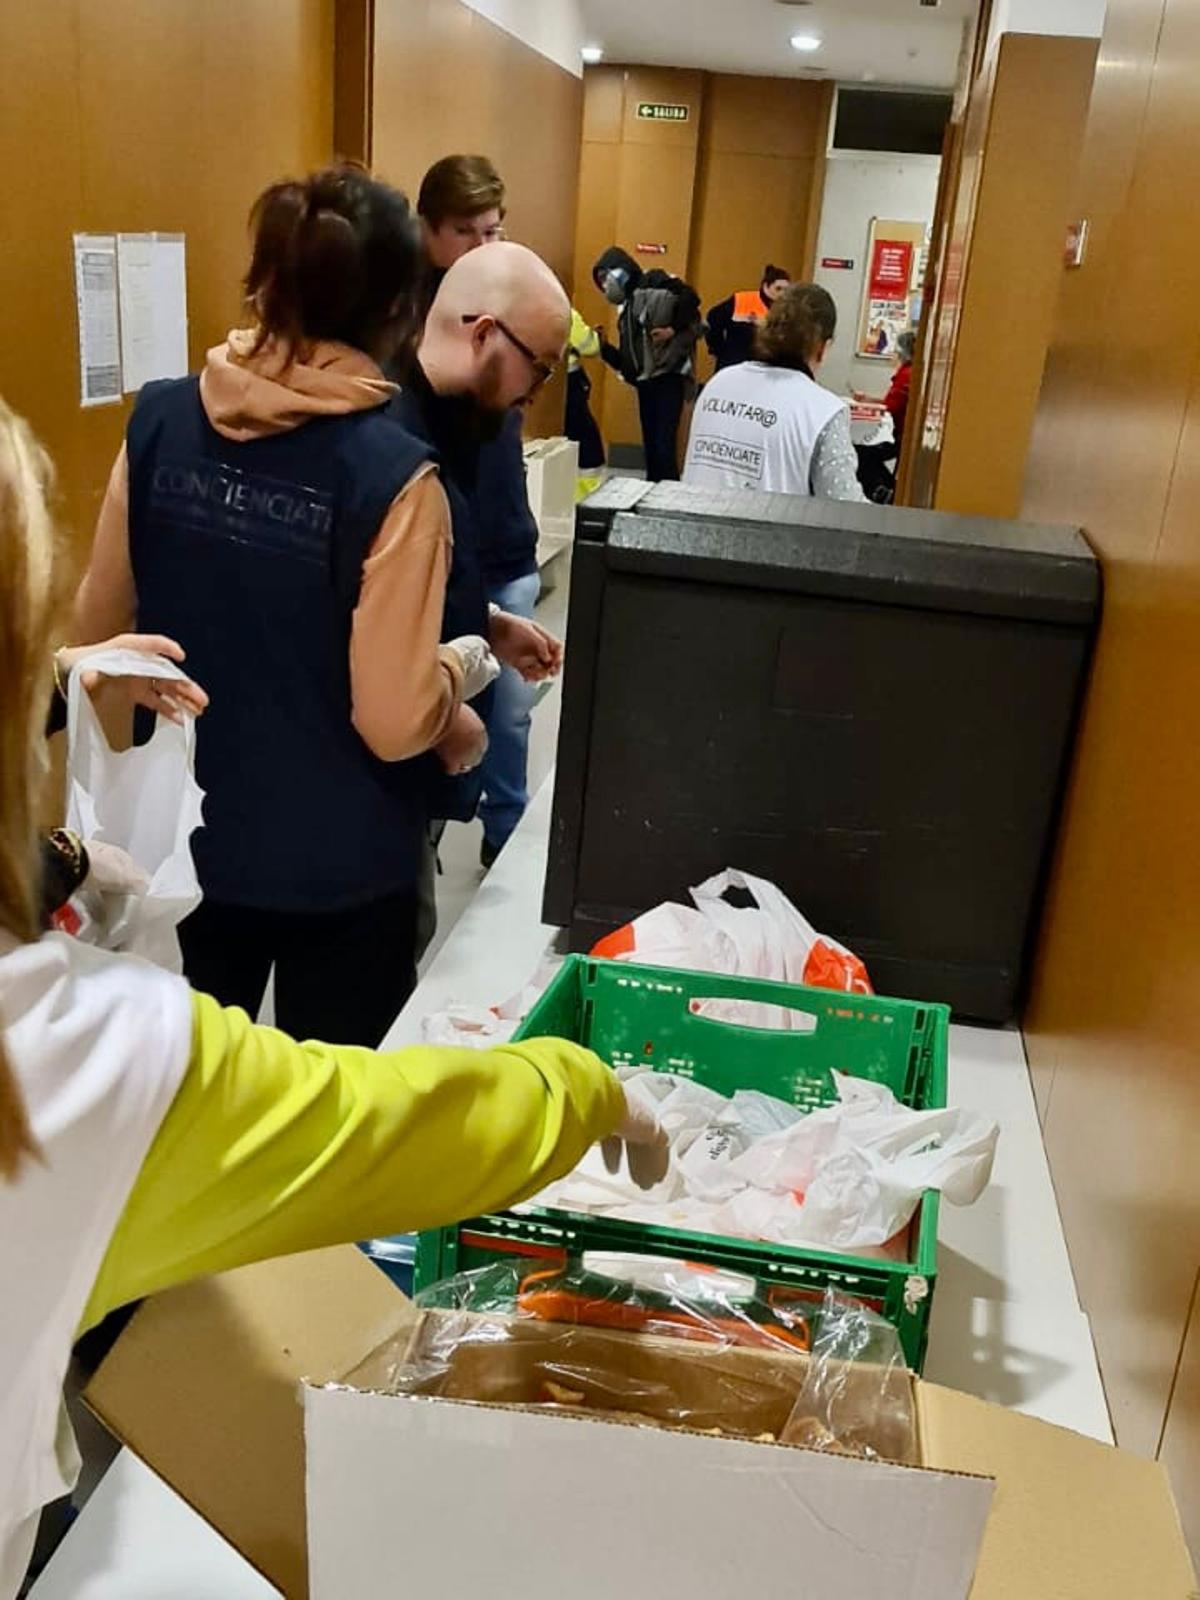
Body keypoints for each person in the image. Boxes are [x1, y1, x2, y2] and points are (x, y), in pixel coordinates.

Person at [0, 393, 666, 1600]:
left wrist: (53, 701)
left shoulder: (165, 425)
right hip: (333, 879)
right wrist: (579, 1080)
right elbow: (387, 1124)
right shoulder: (74, 1058)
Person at [72, 165, 499, 1048]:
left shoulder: (155, 425)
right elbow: (391, 721)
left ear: (262, 285)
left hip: (181, 851)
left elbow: (96, 641)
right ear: (398, 312)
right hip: (340, 876)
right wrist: (462, 666)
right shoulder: (394, 478)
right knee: (333, 1145)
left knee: (181, 1121)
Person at [415, 154, 553, 871]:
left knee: (510, 712)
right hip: (438, 561)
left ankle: (503, 830)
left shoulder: (513, 316)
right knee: (439, 713)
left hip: (502, 546)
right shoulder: (411, 340)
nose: (479, 248)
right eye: (463, 231)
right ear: (427, 231)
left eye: (492, 231)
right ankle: (428, 830)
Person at [682, 282, 865, 502]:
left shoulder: (718, 384)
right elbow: (845, 507)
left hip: (692, 529)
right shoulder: (824, 412)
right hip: (769, 534)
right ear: (822, 347)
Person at [593, 246, 702, 482]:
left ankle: (668, 499)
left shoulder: (654, 280)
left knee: (663, 447)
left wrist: (672, 330)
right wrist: (604, 349)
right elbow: (629, 365)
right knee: (652, 448)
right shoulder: (627, 313)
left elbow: (691, 300)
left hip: (668, 377)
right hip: (646, 384)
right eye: (600, 281)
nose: (605, 285)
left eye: (606, 277)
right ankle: (653, 497)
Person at [704, 265, 790, 372]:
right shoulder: (742, 300)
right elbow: (713, 318)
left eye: (786, 290)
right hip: (733, 365)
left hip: (765, 368)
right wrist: (717, 349)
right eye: (778, 289)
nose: (782, 294)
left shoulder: (786, 310)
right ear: (766, 287)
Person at [565, 306, 606, 495]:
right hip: (569, 384)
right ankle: (588, 494)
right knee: (586, 443)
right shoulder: (565, 313)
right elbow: (589, 345)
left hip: (537, 387)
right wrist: (597, 337)